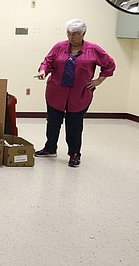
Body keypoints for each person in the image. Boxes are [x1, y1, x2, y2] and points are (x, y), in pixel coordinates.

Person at [33, 19, 115, 167]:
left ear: (84, 33)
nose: (72, 37)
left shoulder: (93, 49)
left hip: (80, 94)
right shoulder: (59, 47)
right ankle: (50, 148)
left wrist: (99, 80)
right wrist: (43, 71)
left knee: (74, 125)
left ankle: (74, 154)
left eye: (76, 34)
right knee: (53, 122)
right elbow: (48, 62)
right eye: (69, 34)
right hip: (56, 92)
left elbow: (109, 64)